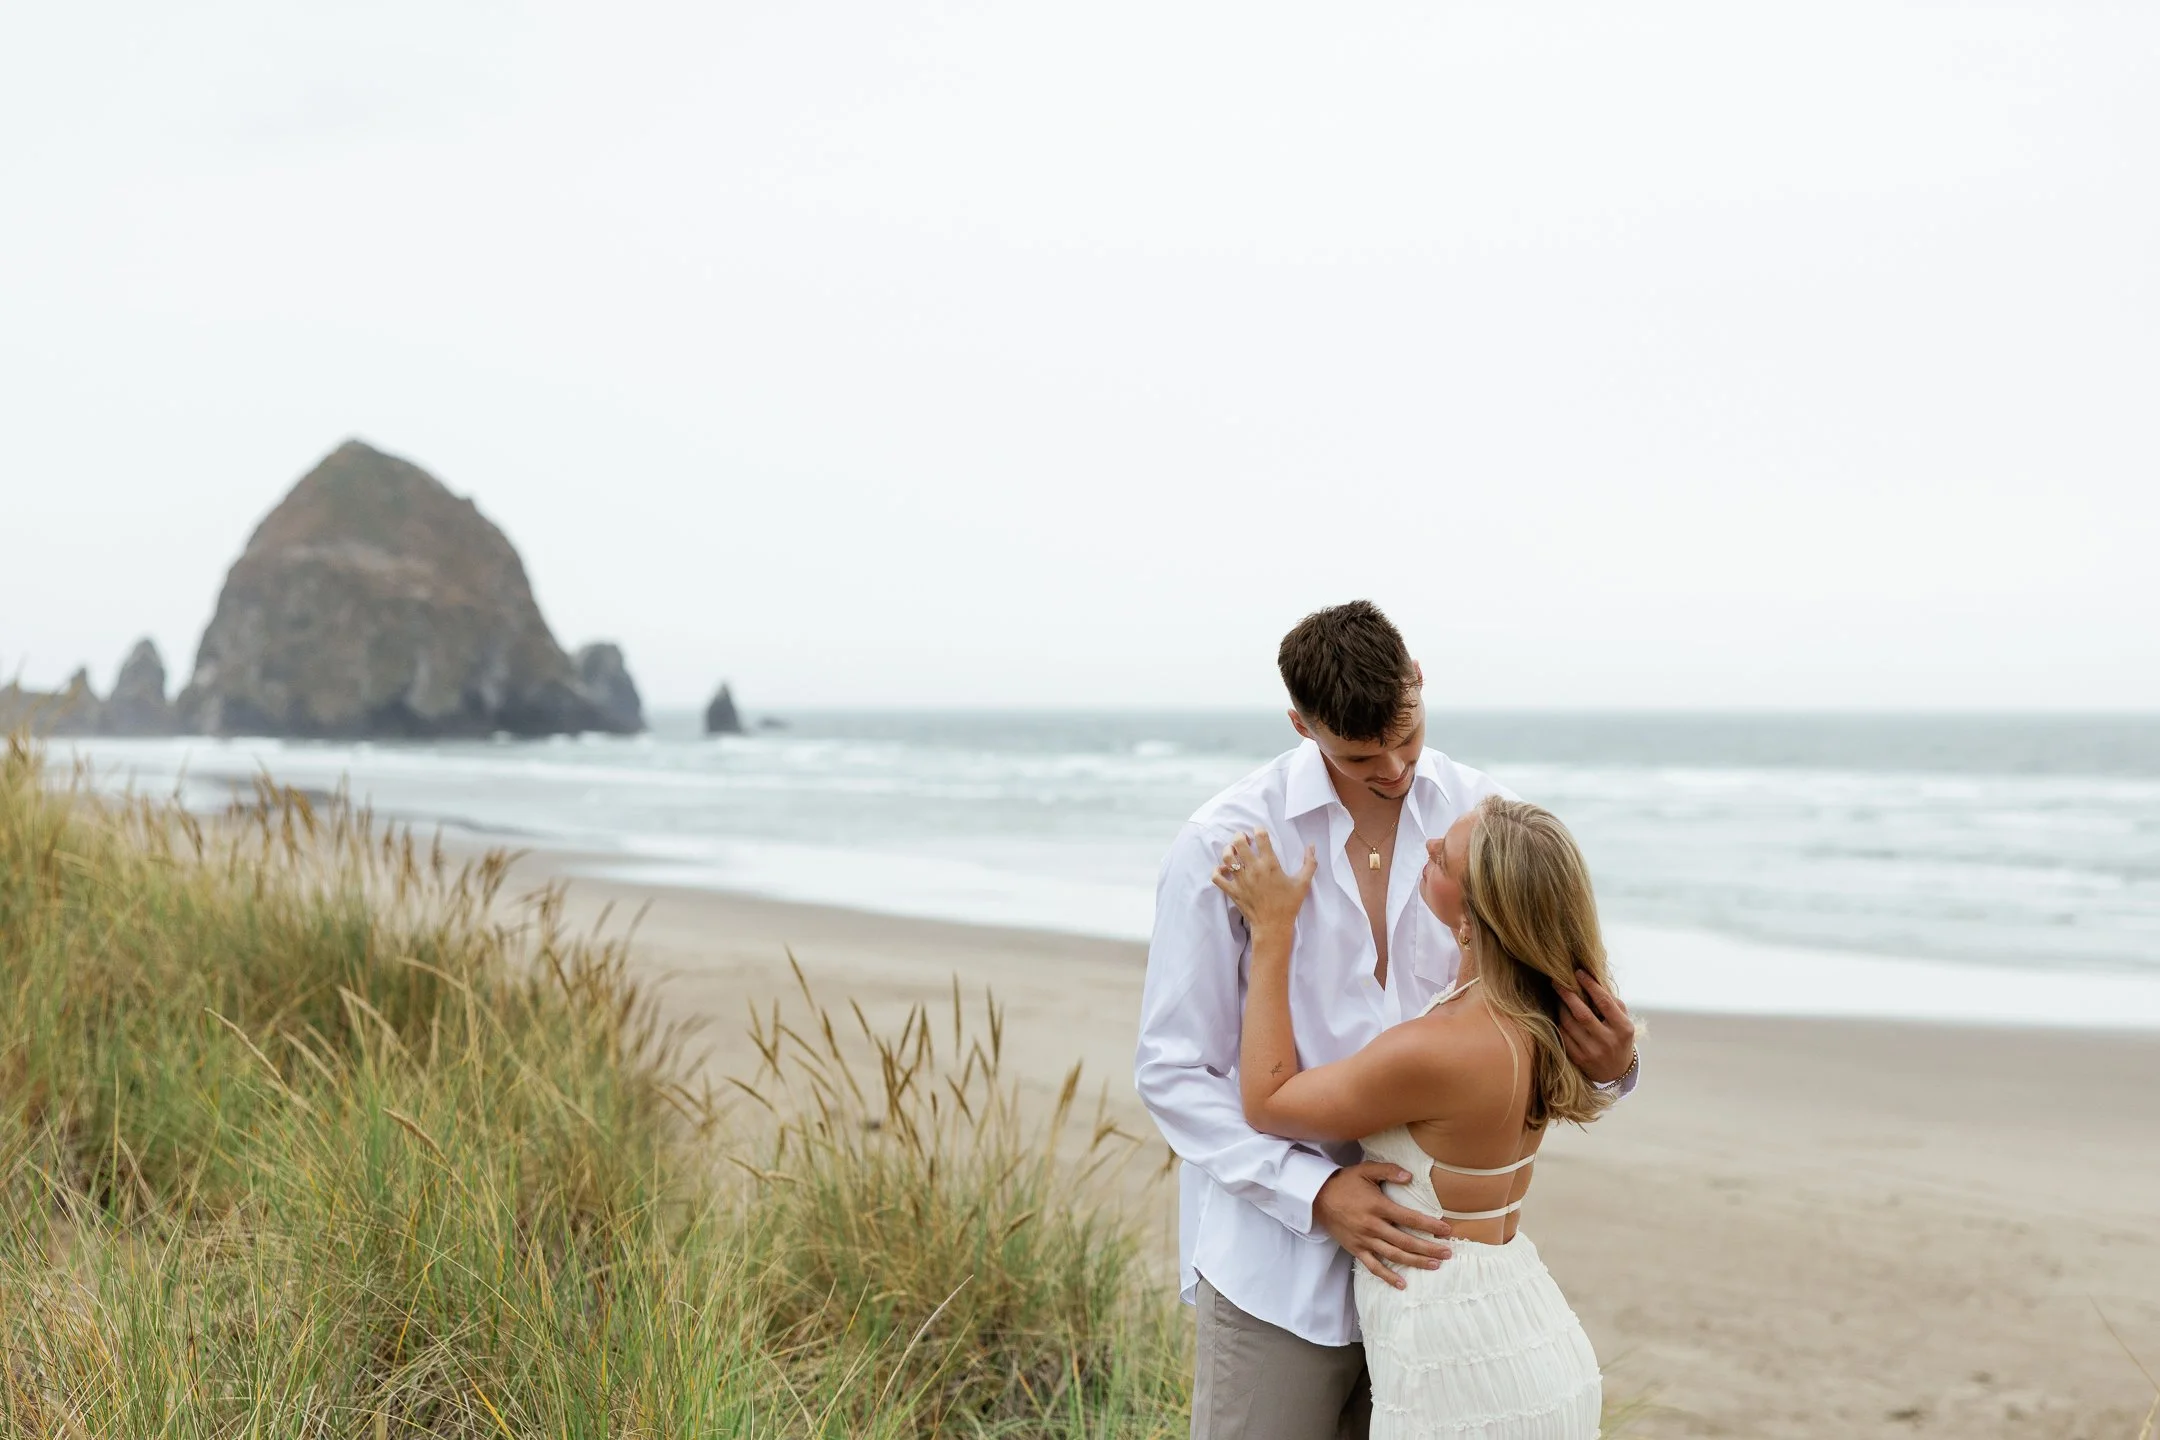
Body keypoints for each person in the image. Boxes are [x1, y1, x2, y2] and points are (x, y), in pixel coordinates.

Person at [1134, 601, 1638, 1440]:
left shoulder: (1487, 820)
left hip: (1442, 1287)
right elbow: (1174, 1069)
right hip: (1277, 1269)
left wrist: (1614, 1065)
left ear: (1419, 681)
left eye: (1407, 736)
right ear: (1302, 726)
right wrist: (1314, 1192)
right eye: (1362, 755)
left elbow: (1553, 1020)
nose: (1396, 768)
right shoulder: (1226, 843)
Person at [1214, 799, 1618, 1437]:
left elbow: (1269, 1101)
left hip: (1454, 1359)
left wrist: (1272, 931)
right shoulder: (1542, 1019)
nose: (1427, 847)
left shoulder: (1439, 1049)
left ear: (1476, 915)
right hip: (1526, 1324)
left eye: (1444, 858)